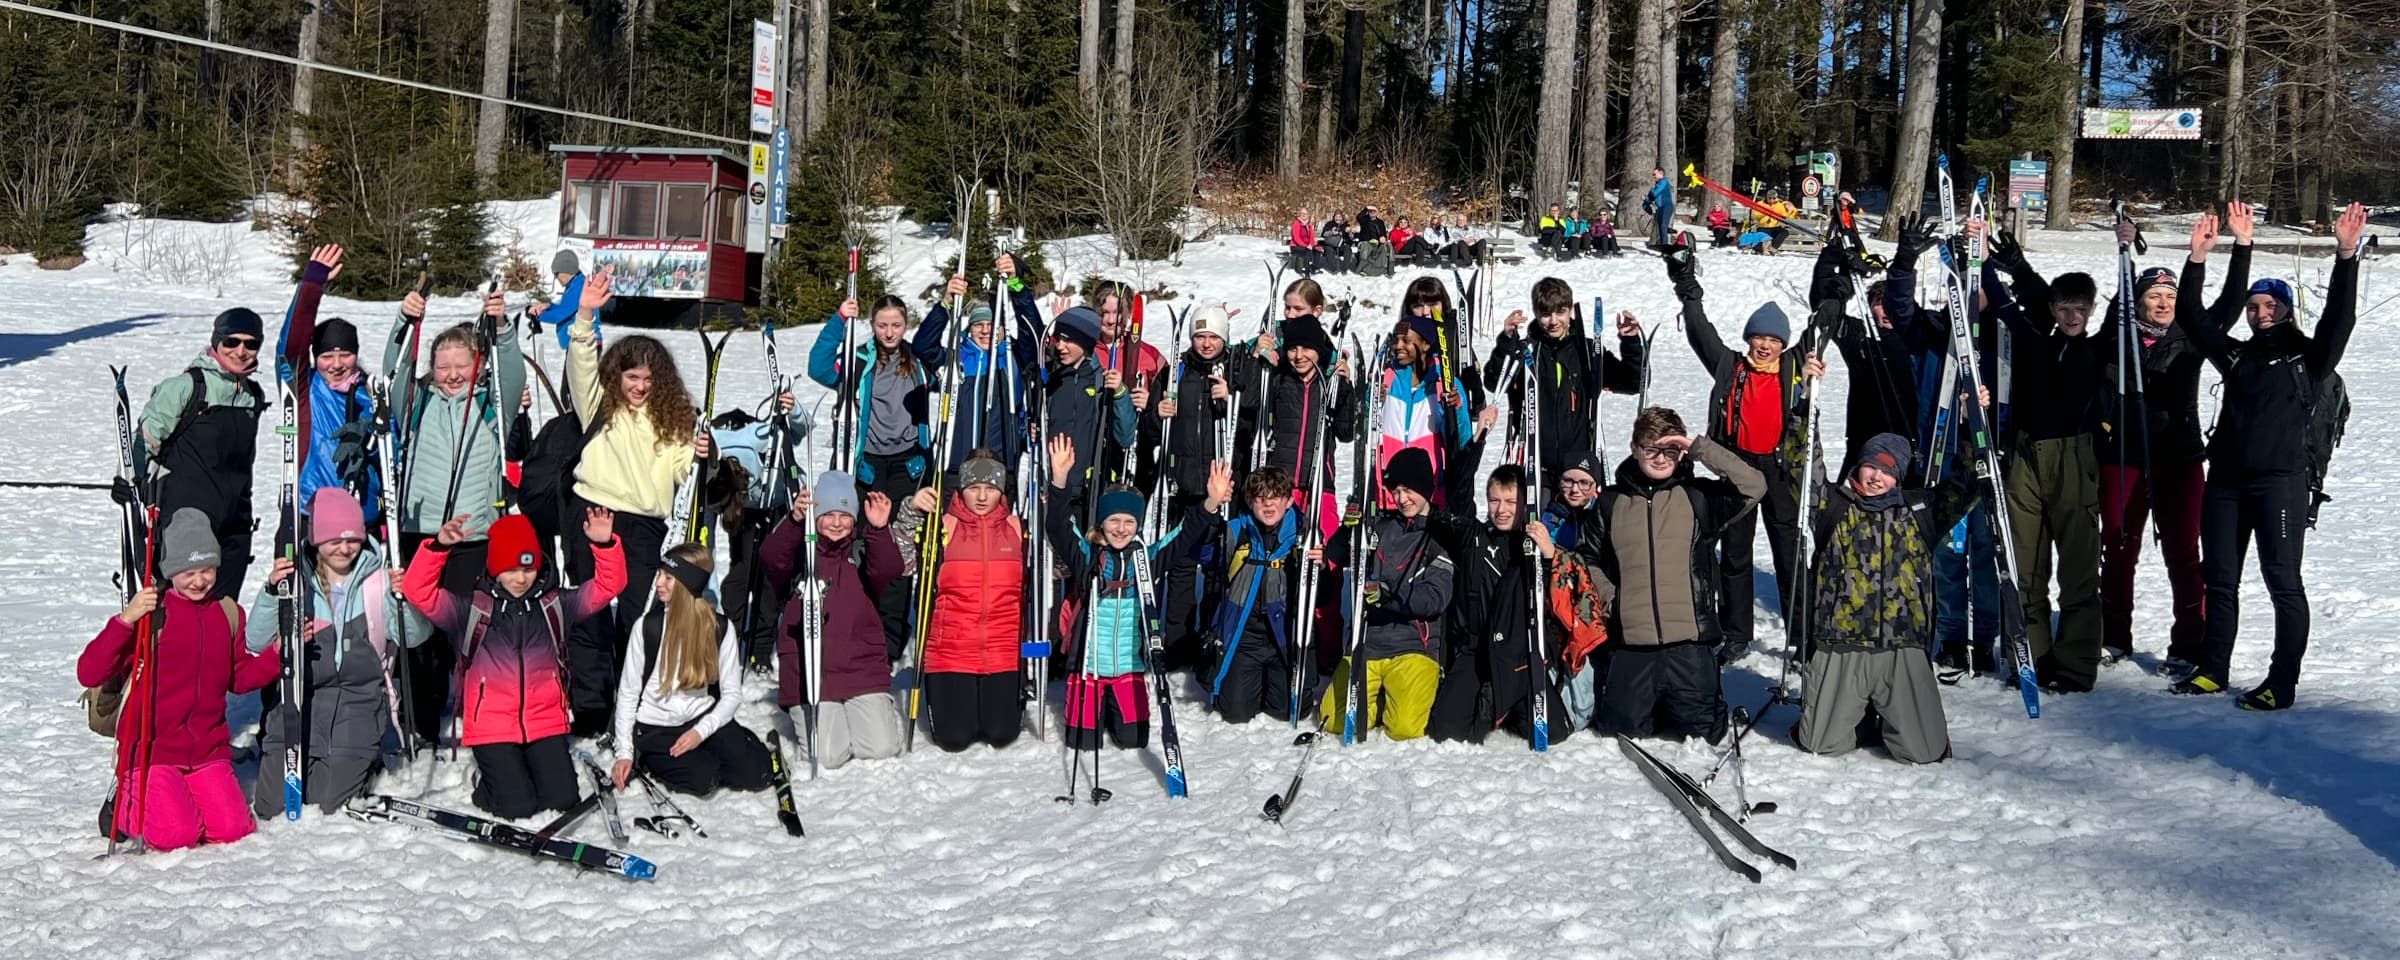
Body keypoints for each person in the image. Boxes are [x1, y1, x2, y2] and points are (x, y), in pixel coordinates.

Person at [2172, 202, 2365, 710]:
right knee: (2220, 578)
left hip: (2280, 482)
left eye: (2270, 305)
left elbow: (2340, 319)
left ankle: (2282, 682)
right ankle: (2214, 668)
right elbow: (2192, 319)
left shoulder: (2311, 357)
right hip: (2227, 483)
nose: (2261, 313)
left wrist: (2346, 254)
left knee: (2282, 581)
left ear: (2287, 310)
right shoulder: (2236, 355)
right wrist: (2207, 258)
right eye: (2255, 306)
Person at [402, 508, 625, 819]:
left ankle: (521, 773)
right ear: (494, 568)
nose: (521, 578)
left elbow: (607, 588)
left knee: (562, 799)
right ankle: (486, 782)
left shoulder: (556, 605)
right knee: (517, 807)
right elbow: (418, 591)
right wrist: (437, 548)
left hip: (544, 720)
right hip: (491, 725)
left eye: (529, 569)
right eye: (511, 569)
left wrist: (604, 545)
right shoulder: (471, 610)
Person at [82, 508, 281, 850]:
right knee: (178, 835)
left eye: (207, 570)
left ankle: (179, 795)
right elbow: (90, 671)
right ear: (170, 571)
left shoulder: (227, 613)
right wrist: (126, 620)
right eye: (188, 572)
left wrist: (279, 654)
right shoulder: (153, 616)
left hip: (207, 750)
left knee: (234, 830)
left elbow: (238, 676)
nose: (199, 581)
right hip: (151, 752)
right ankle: (125, 804)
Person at [1664, 242, 1824, 660]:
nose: (1764, 345)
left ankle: (1802, 634)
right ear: (1748, 338)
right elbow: (1701, 332)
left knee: (1788, 551)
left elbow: (1827, 318)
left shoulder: (1795, 365)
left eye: (1773, 339)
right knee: (1735, 552)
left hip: (1780, 468)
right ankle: (1737, 634)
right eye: (1758, 337)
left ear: (1783, 343)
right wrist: (1687, 286)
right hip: (1736, 467)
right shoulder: (1730, 366)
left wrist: (1834, 270)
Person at [564, 271, 704, 735]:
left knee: (638, 616)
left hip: (645, 526)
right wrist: (585, 314)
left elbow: (688, 468)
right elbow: (582, 362)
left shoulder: (675, 419)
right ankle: (590, 705)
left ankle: (635, 700)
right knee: (590, 613)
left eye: (647, 378)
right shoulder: (600, 405)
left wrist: (708, 454)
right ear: (617, 376)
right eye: (631, 376)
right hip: (591, 513)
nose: (639, 386)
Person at [383, 283, 523, 744]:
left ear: (477, 365)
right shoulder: (417, 400)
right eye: (443, 365)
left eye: (462, 364)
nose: (452, 373)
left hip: (473, 535)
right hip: (419, 529)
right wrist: (407, 321)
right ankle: (421, 718)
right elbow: (394, 370)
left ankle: (471, 708)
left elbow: (512, 376)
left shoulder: (490, 404)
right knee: (419, 630)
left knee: (465, 629)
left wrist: (500, 328)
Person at [1587, 408, 1765, 742]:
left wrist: (1696, 445)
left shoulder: (1698, 496)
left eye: (1670, 449)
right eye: (1651, 448)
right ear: (1635, 448)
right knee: (1618, 732)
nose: (1660, 458)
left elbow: (1754, 485)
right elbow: (1588, 557)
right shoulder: (1612, 502)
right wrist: (1612, 598)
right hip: (1633, 644)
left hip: (1689, 644)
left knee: (1703, 733)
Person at [1982, 226, 2109, 693]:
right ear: (2053, 311)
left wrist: (2123, 246)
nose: (2071, 315)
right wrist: (1983, 263)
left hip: (2075, 458)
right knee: (2026, 567)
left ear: (2091, 310)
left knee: (2078, 570)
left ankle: (2075, 665)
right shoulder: (2035, 340)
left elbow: (2121, 309)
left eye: (2080, 308)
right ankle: (2028, 658)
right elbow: (2004, 303)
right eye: (2063, 308)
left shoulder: (2099, 347)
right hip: (2026, 457)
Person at [244, 489, 416, 816]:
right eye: (334, 540)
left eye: (352, 539)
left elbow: (414, 637)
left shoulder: (376, 582)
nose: (344, 548)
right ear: (317, 540)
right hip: (298, 703)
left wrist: (403, 601)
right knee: (273, 807)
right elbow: (254, 641)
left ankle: (363, 762)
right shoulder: (296, 582)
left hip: (357, 704)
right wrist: (271, 592)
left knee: (328, 805)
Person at [141, 263, 308, 599]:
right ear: (216, 342)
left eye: (251, 344)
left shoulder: (252, 395)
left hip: (234, 519)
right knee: (186, 607)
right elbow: (145, 438)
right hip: (188, 514)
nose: (241, 350)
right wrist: (131, 485)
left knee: (223, 611)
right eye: (231, 341)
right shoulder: (187, 387)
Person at [1791, 433, 1957, 763]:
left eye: (1887, 469)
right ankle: (1859, 714)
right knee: (1820, 744)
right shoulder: (1832, 506)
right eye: (1870, 466)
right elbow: (1802, 464)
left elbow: (1969, 483)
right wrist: (1804, 408)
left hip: (1901, 647)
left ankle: (1889, 714)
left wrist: (1972, 422)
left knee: (1924, 753)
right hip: (1841, 643)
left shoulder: (1920, 512)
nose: (1876, 477)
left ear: (1899, 475)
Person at [1881, 216, 2000, 675]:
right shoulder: (1932, 331)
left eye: (1977, 292)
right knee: (1947, 556)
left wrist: (1984, 258)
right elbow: (1899, 308)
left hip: (1988, 462)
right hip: (1942, 460)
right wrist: (1906, 260)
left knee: (1987, 555)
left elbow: (2014, 303)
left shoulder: (1998, 334)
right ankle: (1951, 636)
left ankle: (1986, 637)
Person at [1041, 438, 1203, 751]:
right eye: (1114, 520)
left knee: (1134, 740)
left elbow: (1183, 537)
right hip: (1088, 667)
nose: (1121, 529)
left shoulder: (1145, 558)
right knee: (1083, 743)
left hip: (1128, 667)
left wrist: (1209, 503)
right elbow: (1058, 526)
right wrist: (1060, 480)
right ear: (1101, 523)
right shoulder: (1087, 556)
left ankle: (1115, 711)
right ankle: (1093, 711)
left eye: (1129, 522)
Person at [2099, 242, 2208, 671]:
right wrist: (2124, 248)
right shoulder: (2118, 337)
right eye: (2154, 296)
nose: (2163, 303)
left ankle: (2187, 643)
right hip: (2122, 456)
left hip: (2178, 459)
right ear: (2139, 301)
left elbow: (2225, 305)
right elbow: (2114, 310)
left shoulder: (2191, 337)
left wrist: (2202, 259)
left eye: (2170, 296)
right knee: (2119, 546)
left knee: (2183, 551)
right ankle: (2114, 636)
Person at [1427, 464, 1578, 744]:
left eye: (1511, 501)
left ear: (1525, 504)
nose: (1502, 510)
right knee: (1445, 731)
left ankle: (1503, 703)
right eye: (1495, 500)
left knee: (1552, 733)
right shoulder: (1473, 535)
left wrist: (1547, 556)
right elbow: (1452, 499)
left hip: (1519, 656)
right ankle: (1493, 702)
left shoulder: (1533, 545)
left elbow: (1558, 597)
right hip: (1475, 653)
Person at [763, 471, 904, 767]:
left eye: (844, 515)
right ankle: (809, 715)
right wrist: (794, 522)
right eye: (828, 514)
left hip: (860, 668)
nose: (837, 523)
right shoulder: (800, 553)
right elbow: (770, 557)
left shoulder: (860, 550)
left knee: (881, 748)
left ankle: (864, 712)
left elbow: (890, 569)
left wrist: (879, 530)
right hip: (813, 671)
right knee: (827, 756)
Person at [609, 543, 772, 796]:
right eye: (660, 575)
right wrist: (624, 753)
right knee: (703, 780)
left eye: (669, 578)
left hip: (700, 718)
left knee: (758, 775)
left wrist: (700, 732)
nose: (659, 583)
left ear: (688, 584)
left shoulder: (719, 627)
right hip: (656, 728)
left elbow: (731, 694)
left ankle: (735, 747)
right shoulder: (648, 627)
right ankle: (654, 759)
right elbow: (628, 694)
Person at [1316, 448, 1454, 742]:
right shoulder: (1379, 524)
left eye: (1409, 490)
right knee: (1332, 719)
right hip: (1369, 644)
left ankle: (1400, 694)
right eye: (1396, 490)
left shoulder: (1440, 533)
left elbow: (1436, 597)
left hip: (1414, 647)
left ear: (1425, 488)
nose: (1402, 499)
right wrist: (1348, 530)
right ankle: (1379, 696)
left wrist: (1391, 595)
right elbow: (1336, 555)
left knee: (1404, 728)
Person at [896, 454, 1027, 751]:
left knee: (1002, 734)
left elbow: (1058, 564)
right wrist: (911, 511)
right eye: (974, 488)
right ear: (960, 488)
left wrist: (1056, 490)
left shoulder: (1018, 530)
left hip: (1002, 651)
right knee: (953, 739)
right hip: (950, 651)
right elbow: (901, 563)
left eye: (991, 489)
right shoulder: (943, 526)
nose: (982, 497)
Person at [1490, 277, 1648, 489]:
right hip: (1537, 466)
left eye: (1560, 312)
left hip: (1579, 468)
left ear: (1571, 311)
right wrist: (1506, 343)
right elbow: (1494, 383)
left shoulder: (1587, 351)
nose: (1553, 321)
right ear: (1536, 314)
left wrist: (1630, 342)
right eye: (1546, 314)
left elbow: (1634, 382)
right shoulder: (1526, 351)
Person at [1178, 465, 1298, 723]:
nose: (1268, 506)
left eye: (1275, 498)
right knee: (1235, 712)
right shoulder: (1236, 530)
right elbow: (1198, 551)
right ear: (1250, 502)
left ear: (1288, 501)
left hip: (1283, 637)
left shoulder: (1302, 534)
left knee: (1287, 709)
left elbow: (1322, 591)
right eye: (1260, 498)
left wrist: (1319, 563)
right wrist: (1211, 505)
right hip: (1245, 638)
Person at [914, 258, 1044, 476]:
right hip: (958, 466)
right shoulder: (957, 358)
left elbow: (1033, 332)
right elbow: (922, 346)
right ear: (970, 327)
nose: (985, 331)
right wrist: (945, 304)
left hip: (1002, 467)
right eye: (978, 325)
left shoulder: (1015, 358)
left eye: (992, 325)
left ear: (1003, 328)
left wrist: (1016, 287)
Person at [810, 293, 933, 505]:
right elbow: (819, 368)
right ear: (872, 325)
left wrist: (947, 305)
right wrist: (840, 319)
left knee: (904, 527)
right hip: (867, 460)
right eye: (882, 326)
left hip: (909, 459)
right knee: (866, 528)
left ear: (906, 325)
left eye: (896, 325)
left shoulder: (919, 360)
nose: (889, 333)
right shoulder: (858, 361)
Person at [1041, 305, 1139, 519]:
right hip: (1053, 485)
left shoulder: (1102, 381)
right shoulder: (1050, 378)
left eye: (1069, 340)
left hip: (1089, 490)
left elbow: (1125, 436)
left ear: (1085, 343)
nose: (1061, 346)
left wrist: (1121, 394)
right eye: (1059, 339)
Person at [1643, 166, 1677, 247]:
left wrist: (1651, 192)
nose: (1653, 176)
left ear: (1661, 173)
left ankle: (1665, 246)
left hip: (1667, 207)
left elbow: (1655, 193)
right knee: (1661, 228)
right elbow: (1650, 198)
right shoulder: (1657, 185)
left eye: (1655, 174)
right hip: (1660, 208)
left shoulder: (1664, 182)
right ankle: (1663, 244)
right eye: (1653, 174)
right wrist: (1645, 204)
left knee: (1663, 226)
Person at [1289, 208, 1321, 274]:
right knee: (1307, 251)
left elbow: (1312, 237)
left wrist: (1311, 244)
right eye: (1302, 213)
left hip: (1307, 245)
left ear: (1308, 215)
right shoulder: (1297, 223)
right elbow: (1296, 238)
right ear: (1300, 214)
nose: (1304, 215)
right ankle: (1307, 270)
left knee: (1318, 250)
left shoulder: (1309, 224)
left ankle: (1314, 268)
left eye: (1305, 213)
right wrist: (1306, 246)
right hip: (1296, 245)